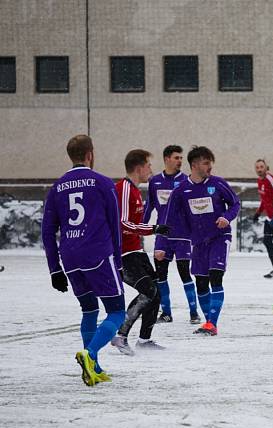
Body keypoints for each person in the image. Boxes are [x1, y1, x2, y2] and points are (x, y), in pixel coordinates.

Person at [41, 135, 126, 386]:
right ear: (90, 154)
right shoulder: (102, 182)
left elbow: (47, 231)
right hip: (98, 254)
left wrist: (54, 269)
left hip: (70, 257)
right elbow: (115, 224)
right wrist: (118, 262)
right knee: (117, 311)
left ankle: (94, 368)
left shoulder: (57, 187)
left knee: (89, 309)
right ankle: (90, 355)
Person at [165, 146, 240, 336]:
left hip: (219, 237)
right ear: (194, 165)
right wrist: (163, 243)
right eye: (206, 163)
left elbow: (235, 203)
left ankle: (211, 323)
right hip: (198, 242)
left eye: (210, 162)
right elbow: (170, 219)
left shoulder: (218, 183)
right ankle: (208, 321)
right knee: (201, 283)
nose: (210, 167)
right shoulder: (181, 189)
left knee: (216, 276)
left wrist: (226, 217)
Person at [109, 149, 170, 354]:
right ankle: (121, 336)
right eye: (149, 166)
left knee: (156, 293)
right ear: (139, 168)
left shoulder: (135, 190)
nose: (151, 170)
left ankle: (144, 340)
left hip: (136, 251)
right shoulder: (124, 188)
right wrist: (153, 229)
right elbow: (123, 224)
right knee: (148, 291)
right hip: (123, 254)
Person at [144, 145, 201, 324]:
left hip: (182, 236)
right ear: (167, 158)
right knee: (161, 275)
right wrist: (139, 227)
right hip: (162, 236)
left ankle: (194, 312)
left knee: (185, 273)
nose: (180, 161)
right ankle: (166, 313)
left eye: (181, 158)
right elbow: (149, 206)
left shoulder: (185, 181)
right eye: (176, 158)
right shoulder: (155, 181)